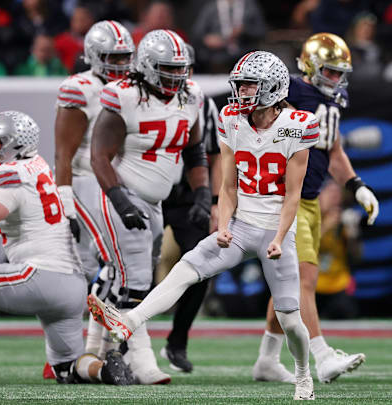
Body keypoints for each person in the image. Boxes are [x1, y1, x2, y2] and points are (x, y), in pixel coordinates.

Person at [88, 50, 319, 401]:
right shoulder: (232, 118)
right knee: (185, 268)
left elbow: (292, 194)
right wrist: (223, 225)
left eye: (248, 86)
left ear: (272, 88)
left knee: (290, 321)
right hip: (241, 227)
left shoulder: (298, 125)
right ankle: (130, 321)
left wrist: (281, 237)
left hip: (276, 231)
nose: (240, 93)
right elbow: (227, 186)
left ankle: (304, 373)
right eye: (239, 86)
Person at [0, 110, 132, 385]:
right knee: (66, 368)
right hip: (72, 288)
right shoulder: (38, 167)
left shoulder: (9, 173)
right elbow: (14, 212)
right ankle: (104, 370)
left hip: (40, 276)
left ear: (16, 143)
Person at [79, 29, 208, 385]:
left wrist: (201, 193)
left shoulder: (192, 96)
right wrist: (120, 200)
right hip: (122, 194)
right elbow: (99, 156)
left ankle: (99, 352)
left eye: (181, 68)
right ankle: (140, 361)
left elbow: (195, 151)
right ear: (149, 67)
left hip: (155, 202)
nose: (178, 76)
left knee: (127, 277)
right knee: (136, 281)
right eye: (169, 68)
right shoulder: (124, 96)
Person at [252, 33, 378, 385]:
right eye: (330, 71)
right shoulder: (289, 91)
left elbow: (334, 152)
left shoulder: (331, 101)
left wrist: (356, 185)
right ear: (309, 65)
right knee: (303, 280)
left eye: (340, 73)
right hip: (281, 198)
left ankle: (266, 360)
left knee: (288, 283)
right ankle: (321, 356)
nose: (336, 80)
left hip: (310, 200)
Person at [52, 18, 137, 373]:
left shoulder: (135, 87)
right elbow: (64, 154)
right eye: (111, 58)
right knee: (87, 275)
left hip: (121, 189)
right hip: (87, 189)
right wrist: (67, 206)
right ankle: (69, 356)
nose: (119, 66)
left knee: (119, 272)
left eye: (124, 58)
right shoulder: (80, 89)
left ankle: (93, 351)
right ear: (93, 56)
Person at [158, 42, 221, 373]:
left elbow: (214, 153)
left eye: (183, 68)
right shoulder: (135, 101)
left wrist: (211, 200)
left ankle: (177, 341)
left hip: (186, 196)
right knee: (130, 271)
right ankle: (119, 344)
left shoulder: (201, 102)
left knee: (201, 268)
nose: (178, 76)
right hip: (146, 195)